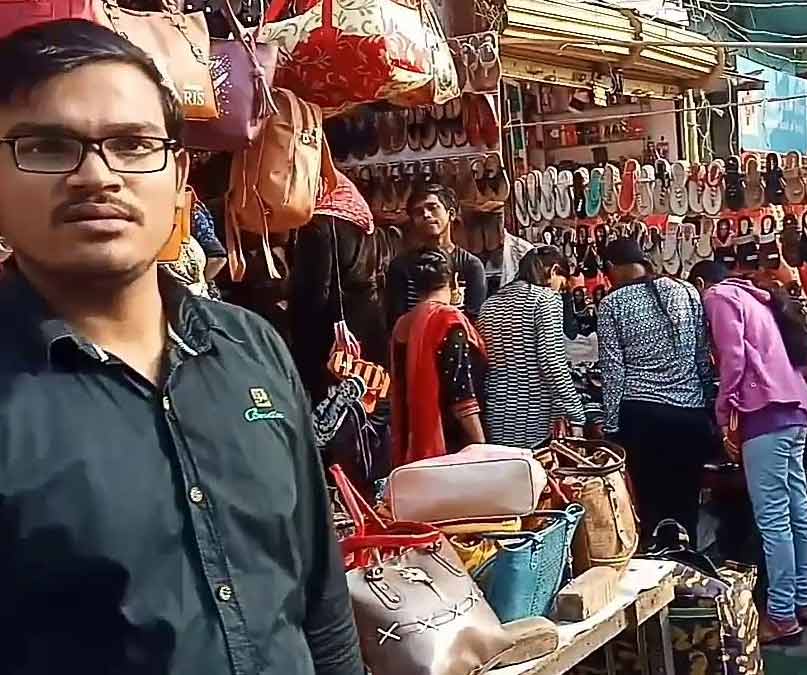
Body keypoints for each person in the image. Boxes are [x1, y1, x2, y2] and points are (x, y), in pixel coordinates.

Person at [0, 20, 363, 673]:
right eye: (49, 147)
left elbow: (322, 606)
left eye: (133, 144)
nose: (96, 176)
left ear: (179, 171)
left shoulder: (252, 349)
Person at [692, 262, 807, 644]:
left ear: (700, 284)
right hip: (794, 409)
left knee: (773, 517)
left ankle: (781, 615)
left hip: (764, 411)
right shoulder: (756, 299)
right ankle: (803, 599)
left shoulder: (718, 297)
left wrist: (723, 411)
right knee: (797, 508)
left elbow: (733, 358)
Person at [597, 238, 716, 539]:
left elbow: (613, 372)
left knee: (650, 509)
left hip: (642, 419)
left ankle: (656, 572)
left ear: (610, 268)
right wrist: (711, 408)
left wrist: (612, 427)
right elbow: (703, 359)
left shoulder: (612, 304)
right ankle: (687, 569)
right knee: (686, 504)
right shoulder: (687, 291)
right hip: (690, 418)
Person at [290, 169, 389, 402]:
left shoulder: (317, 226)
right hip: (366, 328)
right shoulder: (363, 221)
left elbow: (314, 293)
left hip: (330, 341)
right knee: (364, 403)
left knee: (329, 413)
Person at [478, 245, 586, 447]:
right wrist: (576, 414)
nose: (559, 291)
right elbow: (552, 363)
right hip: (530, 418)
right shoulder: (545, 299)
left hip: (495, 414)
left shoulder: (489, 304)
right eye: (562, 286)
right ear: (554, 271)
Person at [389, 248, 487, 467]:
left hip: (410, 439)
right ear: (453, 280)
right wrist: (481, 446)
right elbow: (461, 393)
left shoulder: (402, 325)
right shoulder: (448, 321)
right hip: (448, 444)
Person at [386, 184, 486, 325]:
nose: (426, 214)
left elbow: (475, 320)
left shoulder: (470, 265)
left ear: (451, 214)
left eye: (432, 208)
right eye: (418, 212)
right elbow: (395, 322)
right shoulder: (401, 267)